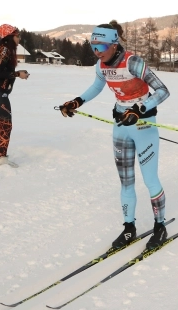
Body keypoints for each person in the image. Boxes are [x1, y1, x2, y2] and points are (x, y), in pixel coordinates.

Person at [58, 20, 170, 251]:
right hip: (120, 125)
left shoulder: (133, 62)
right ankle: (129, 227)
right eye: (93, 47)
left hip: (143, 125)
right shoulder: (101, 66)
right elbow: (97, 87)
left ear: (114, 44)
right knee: (125, 182)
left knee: (150, 180)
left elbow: (163, 90)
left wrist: (140, 109)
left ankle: (160, 226)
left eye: (100, 47)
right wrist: (76, 101)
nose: (96, 52)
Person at [0, 24, 30, 168]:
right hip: (0, 94)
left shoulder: (7, 50)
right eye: (17, 36)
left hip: (2, 92)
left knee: (3, 125)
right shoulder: (4, 49)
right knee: (5, 124)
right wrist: (17, 74)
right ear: (10, 37)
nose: (19, 39)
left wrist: (17, 73)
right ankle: (1, 159)